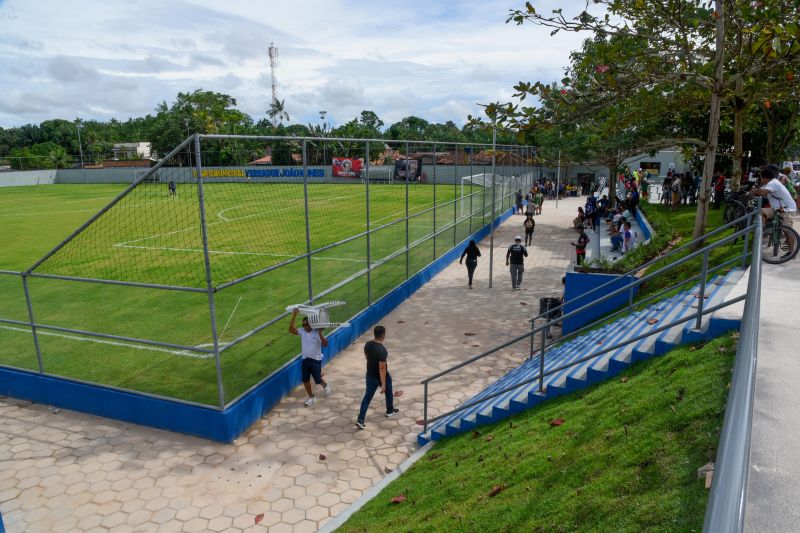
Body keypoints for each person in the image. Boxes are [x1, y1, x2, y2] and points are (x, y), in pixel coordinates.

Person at [749, 166, 797, 258]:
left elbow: (763, 193)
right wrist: (753, 191)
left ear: (764, 178)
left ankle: (792, 253)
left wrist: (754, 192)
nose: (760, 179)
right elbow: (760, 190)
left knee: (787, 230)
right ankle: (762, 230)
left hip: (788, 209)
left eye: (761, 177)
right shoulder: (770, 183)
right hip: (778, 208)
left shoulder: (773, 183)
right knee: (760, 211)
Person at [356, 325, 398, 429]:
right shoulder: (382, 350)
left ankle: (360, 419)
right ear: (383, 335)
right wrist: (383, 384)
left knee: (367, 397)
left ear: (375, 334)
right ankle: (389, 411)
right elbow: (382, 368)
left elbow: (366, 357)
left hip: (370, 375)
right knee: (388, 387)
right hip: (379, 377)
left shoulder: (368, 344)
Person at [288, 308, 331, 406]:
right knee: (305, 380)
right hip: (305, 360)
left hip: (316, 360)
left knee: (317, 380)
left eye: (306, 324)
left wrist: (320, 333)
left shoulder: (317, 332)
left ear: (311, 324)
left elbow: (325, 344)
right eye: (303, 324)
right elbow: (291, 330)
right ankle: (311, 397)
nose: (304, 326)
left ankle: (325, 385)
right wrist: (294, 315)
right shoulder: (302, 331)